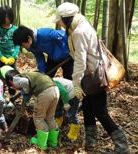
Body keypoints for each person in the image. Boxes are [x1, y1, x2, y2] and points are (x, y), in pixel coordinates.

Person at [54, 2, 130, 153]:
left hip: (94, 77)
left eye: (60, 20)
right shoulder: (83, 24)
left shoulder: (78, 32)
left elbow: (81, 62)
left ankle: (122, 147)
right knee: (88, 107)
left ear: (66, 18)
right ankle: (91, 140)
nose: (60, 23)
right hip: (92, 75)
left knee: (100, 112)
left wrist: (76, 84)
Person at [5, 70, 59, 150]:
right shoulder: (30, 75)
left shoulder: (16, 79)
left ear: (10, 81)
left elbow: (25, 82)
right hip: (55, 90)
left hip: (45, 92)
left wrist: (26, 92)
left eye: (12, 86)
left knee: (38, 117)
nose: (14, 87)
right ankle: (53, 142)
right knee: (49, 117)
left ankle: (42, 144)